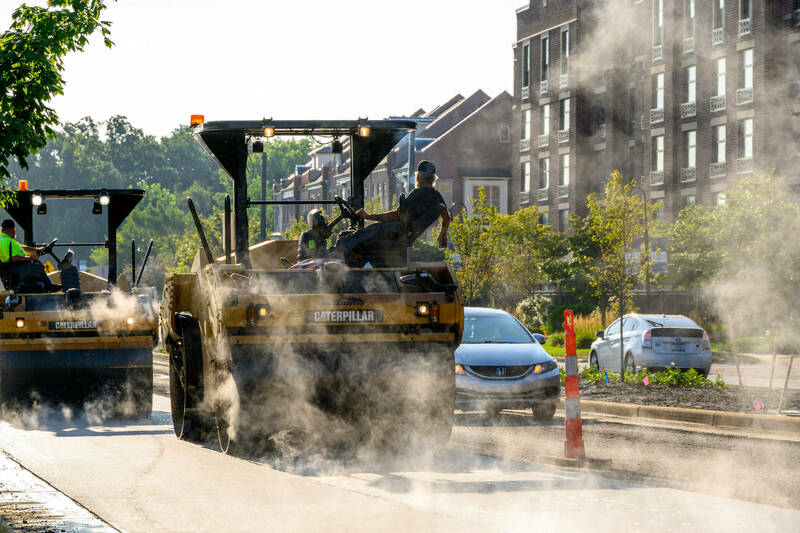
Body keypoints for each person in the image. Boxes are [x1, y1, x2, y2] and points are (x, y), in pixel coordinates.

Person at [334, 160, 450, 264]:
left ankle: (335, 253)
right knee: (357, 235)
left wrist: (369, 216)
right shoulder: (436, 196)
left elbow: (396, 215)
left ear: (418, 177)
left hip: (397, 230)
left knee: (363, 234)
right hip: (405, 234)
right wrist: (442, 235)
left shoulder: (417, 194)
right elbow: (446, 216)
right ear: (434, 179)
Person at [0, 219, 60, 292]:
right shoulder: (5, 241)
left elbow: (23, 248)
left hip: (15, 267)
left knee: (36, 263)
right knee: (36, 265)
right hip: (13, 270)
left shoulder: (6, 239)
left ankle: (48, 285)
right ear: (12, 230)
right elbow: (13, 258)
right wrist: (30, 258)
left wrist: (38, 250)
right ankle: (48, 286)